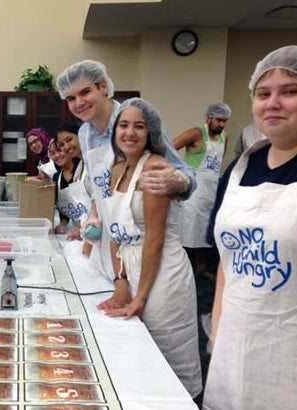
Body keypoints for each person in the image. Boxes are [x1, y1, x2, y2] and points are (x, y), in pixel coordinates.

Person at [203, 45, 297, 410]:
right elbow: (228, 258)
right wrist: (217, 329)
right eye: (263, 94)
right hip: (234, 345)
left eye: (290, 91)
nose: (273, 103)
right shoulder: (241, 167)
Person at [97, 97, 202, 401]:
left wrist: (140, 296)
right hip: (132, 266)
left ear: (150, 133)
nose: (130, 133)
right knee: (135, 351)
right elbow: (116, 230)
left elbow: (155, 239)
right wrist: (120, 282)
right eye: (124, 125)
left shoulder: (155, 166)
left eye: (139, 126)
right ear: (115, 131)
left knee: (164, 350)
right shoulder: (117, 171)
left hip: (163, 273)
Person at [55, 60, 196, 280]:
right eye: (71, 98)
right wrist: (93, 214)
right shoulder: (84, 133)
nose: (79, 103)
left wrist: (178, 182)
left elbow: (183, 171)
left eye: (85, 92)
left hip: (146, 240)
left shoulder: (132, 119)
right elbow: (97, 184)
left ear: (103, 87)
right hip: (110, 240)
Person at [174, 102, 231, 275]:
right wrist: (179, 173)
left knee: (205, 228)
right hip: (194, 190)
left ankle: (201, 266)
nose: (221, 125)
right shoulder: (196, 133)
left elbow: (218, 164)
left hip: (212, 189)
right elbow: (169, 147)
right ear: (209, 117)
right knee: (188, 227)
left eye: (224, 121)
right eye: (219, 120)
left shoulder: (224, 137)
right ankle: (181, 266)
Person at [54, 120, 92, 245]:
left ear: (82, 134)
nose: (66, 147)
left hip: (94, 234)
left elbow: (102, 209)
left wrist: (82, 230)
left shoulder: (94, 164)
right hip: (86, 235)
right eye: (61, 144)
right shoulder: (81, 167)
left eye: (69, 140)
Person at [47, 139, 77, 234]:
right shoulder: (57, 177)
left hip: (94, 229)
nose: (56, 155)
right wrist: (62, 224)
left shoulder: (84, 171)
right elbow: (63, 210)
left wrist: (81, 228)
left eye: (59, 150)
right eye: (52, 153)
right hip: (75, 230)